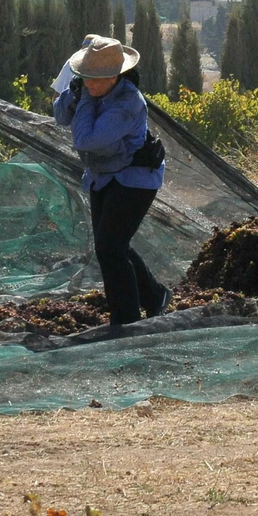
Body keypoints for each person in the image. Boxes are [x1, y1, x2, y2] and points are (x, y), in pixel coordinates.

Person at [53, 36, 170, 330]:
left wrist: (85, 101)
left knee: (110, 246)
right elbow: (59, 116)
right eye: (85, 78)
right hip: (103, 175)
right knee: (113, 244)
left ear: (115, 76)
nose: (89, 84)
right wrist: (74, 94)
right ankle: (155, 296)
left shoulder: (128, 103)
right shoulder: (88, 87)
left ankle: (126, 319)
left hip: (136, 177)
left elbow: (86, 139)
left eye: (96, 80)